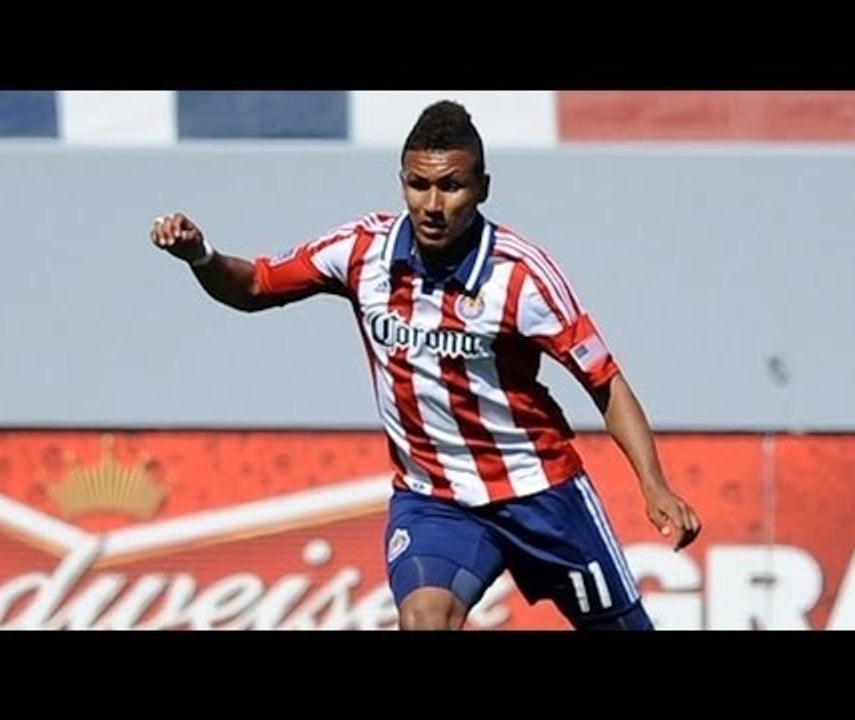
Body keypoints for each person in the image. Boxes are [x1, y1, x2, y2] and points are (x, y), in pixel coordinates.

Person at [149, 100, 701, 631]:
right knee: (423, 619)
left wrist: (654, 486)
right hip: (434, 499)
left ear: (482, 189)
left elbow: (604, 382)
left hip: (541, 496)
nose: (433, 204)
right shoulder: (361, 251)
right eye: (419, 184)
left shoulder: (521, 277)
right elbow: (255, 285)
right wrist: (201, 256)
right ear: (402, 181)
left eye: (451, 186)